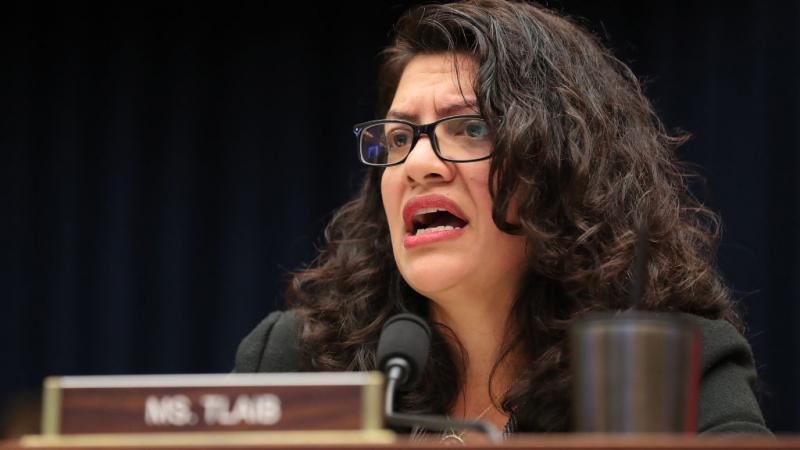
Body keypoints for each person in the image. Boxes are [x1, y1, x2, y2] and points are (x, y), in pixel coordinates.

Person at [234, 0, 769, 435]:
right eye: (399, 137)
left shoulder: (667, 367)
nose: (419, 164)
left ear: (564, 164)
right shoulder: (296, 359)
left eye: (470, 128)